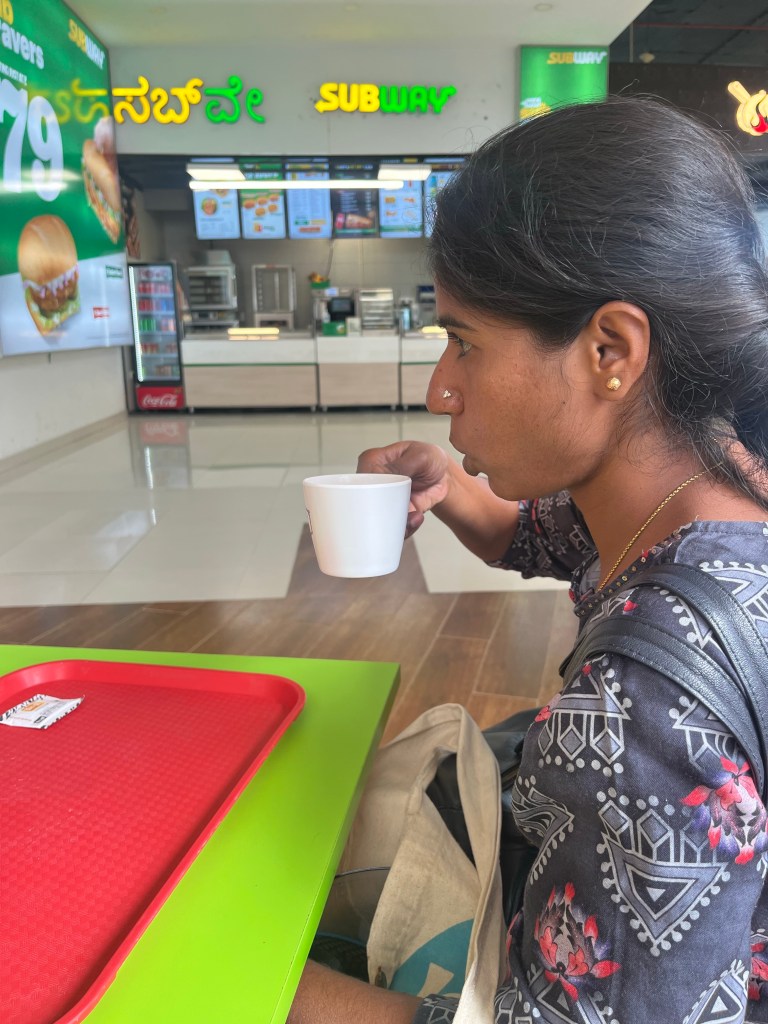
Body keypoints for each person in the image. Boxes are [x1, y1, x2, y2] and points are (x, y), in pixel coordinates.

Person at [288, 95, 768, 1023]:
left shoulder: (645, 712)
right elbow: (546, 534)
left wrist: (252, 973)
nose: (442, 389)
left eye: (464, 342)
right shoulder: (715, 481)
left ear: (610, 350)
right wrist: (450, 485)